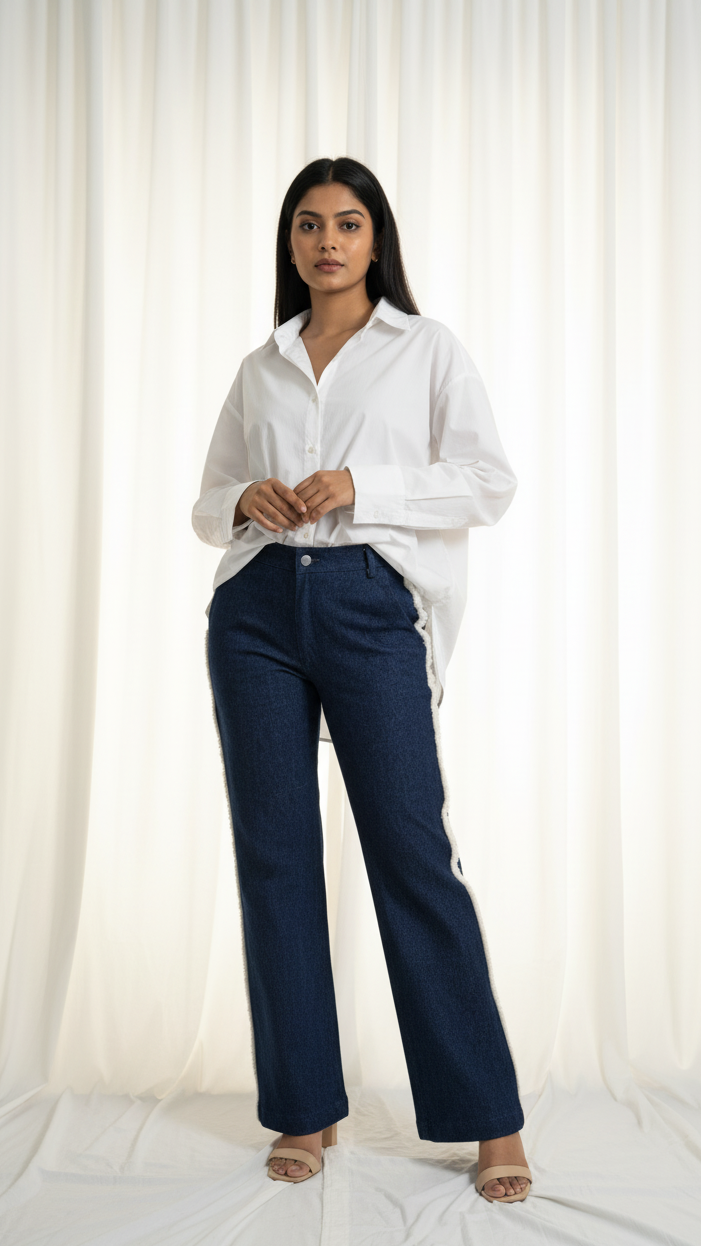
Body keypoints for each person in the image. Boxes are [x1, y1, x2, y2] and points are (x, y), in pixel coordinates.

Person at [192, 156, 532, 1204]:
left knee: (410, 850)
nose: (326, 241)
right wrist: (247, 497)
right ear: (289, 244)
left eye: (346, 223)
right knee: (275, 858)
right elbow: (205, 504)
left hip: (368, 604)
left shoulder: (422, 348)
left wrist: (361, 487)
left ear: (375, 240)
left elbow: (487, 480)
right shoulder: (263, 365)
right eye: (307, 225)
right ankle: (304, 1106)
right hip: (253, 611)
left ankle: (487, 1118)